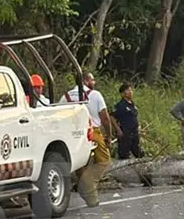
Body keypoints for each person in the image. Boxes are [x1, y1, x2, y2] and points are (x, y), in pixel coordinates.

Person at [60, 72, 117, 206]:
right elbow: (105, 117)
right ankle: (87, 184)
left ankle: (91, 199)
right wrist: (108, 135)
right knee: (103, 161)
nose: (94, 82)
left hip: (72, 135)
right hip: (92, 132)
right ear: (85, 81)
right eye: (92, 80)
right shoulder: (95, 95)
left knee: (81, 165)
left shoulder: (65, 97)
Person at [112, 85, 144, 159]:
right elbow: (112, 117)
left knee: (138, 152)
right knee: (124, 154)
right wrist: (118, 130)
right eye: (128, 90)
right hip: (125, 133)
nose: (130, 92)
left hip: (135, 133)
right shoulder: (121, 105)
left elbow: (135, 116)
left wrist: (139, 126)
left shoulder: (132, 104)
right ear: (123, 93)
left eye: (131, 90)